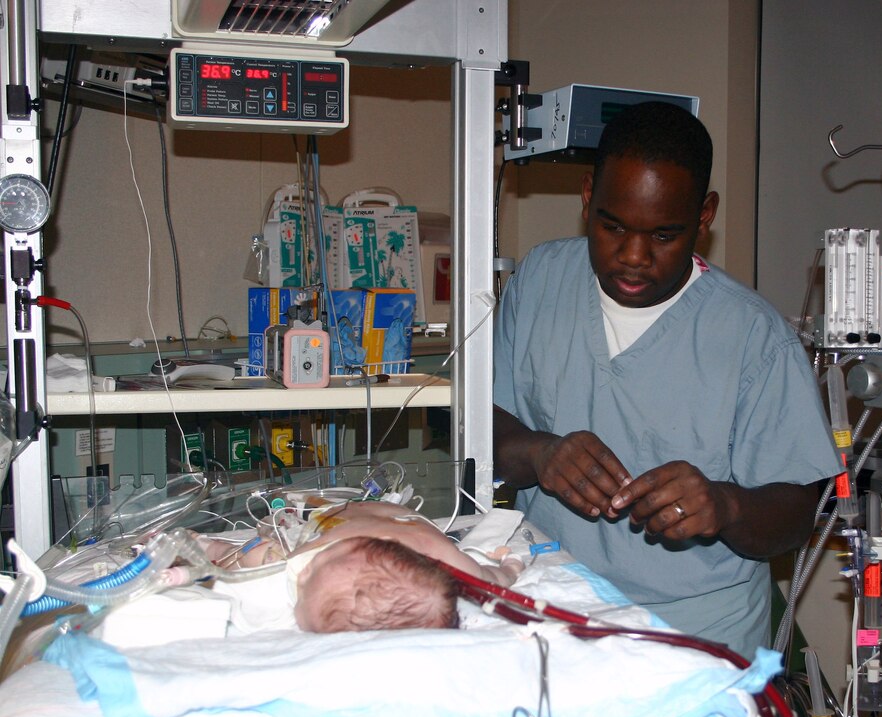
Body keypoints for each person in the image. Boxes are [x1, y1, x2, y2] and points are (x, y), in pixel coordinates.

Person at [493, 101, 842, 659]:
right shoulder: (541, 281)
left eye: (663, 235)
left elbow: (797, 513)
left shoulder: (753, 339)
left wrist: (724, 506)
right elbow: (483, 425)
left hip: (694, 637)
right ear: (587, 196)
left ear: (705, 216)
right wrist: (539, 453)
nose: (633, 257)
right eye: (612, 227)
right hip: (553, 608)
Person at [198, 500, 524, 633]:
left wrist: (507, 570)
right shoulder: (311, 558)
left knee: (481, 574)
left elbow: (490, 584)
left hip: (415, 531)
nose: (303, 572)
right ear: (346, 546)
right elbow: (243, 561)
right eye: (316, 566)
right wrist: (209, 547)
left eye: (302, 596)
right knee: (262, 553)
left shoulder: (442, 556)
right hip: (383, 516)